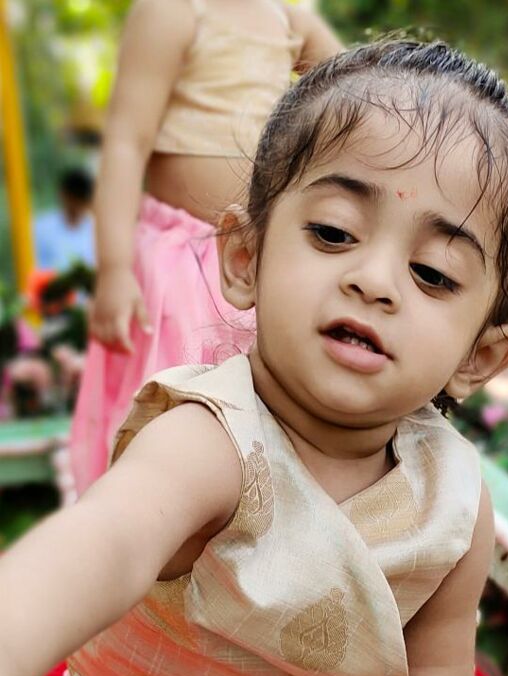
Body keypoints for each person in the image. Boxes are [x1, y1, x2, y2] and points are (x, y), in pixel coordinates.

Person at [0, 40, 508, 676]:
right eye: (333, 232)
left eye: (433, 274)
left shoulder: (450, 501)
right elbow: (99, 548)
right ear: (245, 257)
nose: (374, 280)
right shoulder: (212, 440)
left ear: (481, 355)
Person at [70, 0, 342, 494]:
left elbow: (360, 88)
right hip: (177, 260)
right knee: (173, 402)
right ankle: (150, 511)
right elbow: (127, 142)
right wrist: (113, 269)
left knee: (251, 408)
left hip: (250, 259)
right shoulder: (174, 11)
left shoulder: (286, 17)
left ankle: (239, 511)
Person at [33, 167, 95, 273]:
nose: (77, 205)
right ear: (64, 195)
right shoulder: (41, 228)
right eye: (75, 198)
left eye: (83, 200)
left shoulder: (96, 230)